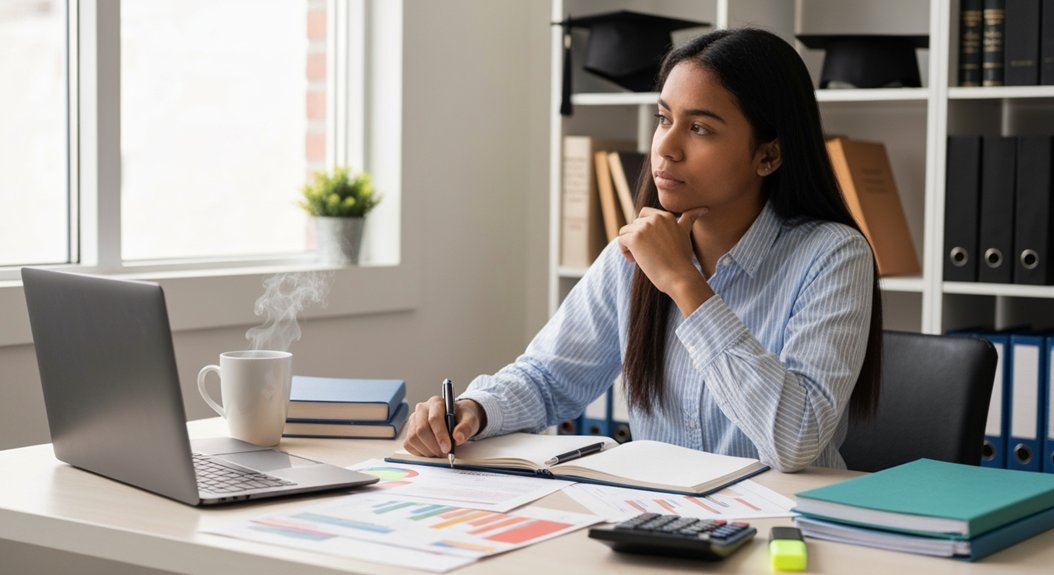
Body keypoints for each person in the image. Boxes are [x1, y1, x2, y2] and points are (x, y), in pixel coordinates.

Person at [403, 28, 882, 472]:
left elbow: (795, 441)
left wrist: (684, 284)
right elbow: (549, 378)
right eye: (664, 119)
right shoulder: (632, 254)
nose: (665, 148)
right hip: (658, 514)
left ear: (768, 155)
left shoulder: (832, 255)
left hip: (782, 523)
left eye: (700, 128)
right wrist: (475, 409)